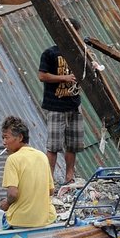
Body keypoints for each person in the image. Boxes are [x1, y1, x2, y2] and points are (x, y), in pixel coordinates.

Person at [38, 18, 84, 185]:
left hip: (74, 104)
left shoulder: (79, 53)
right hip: (55, 106)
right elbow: (42, 75)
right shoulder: (50, 53)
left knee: (72, 144)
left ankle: (69, 177)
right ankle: (49, 181)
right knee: (54, 146)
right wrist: (64, 77)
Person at [0, 116, 57, 228]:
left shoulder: (13, 159)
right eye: (3, 138)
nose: (4, 142)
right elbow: (51, 190)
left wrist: (7, 203)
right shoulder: (42, 156)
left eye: (6, 138)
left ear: (20, 137)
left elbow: (13, 194)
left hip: (20, 221)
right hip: (45, 219)